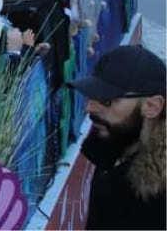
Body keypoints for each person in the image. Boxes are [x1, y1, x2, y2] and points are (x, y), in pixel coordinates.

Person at [70, 45, 166, 231]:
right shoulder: (115, 146)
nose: (89, 108)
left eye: (107, 100)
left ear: (152, 107)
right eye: (92, 95)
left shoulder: (156, 200)